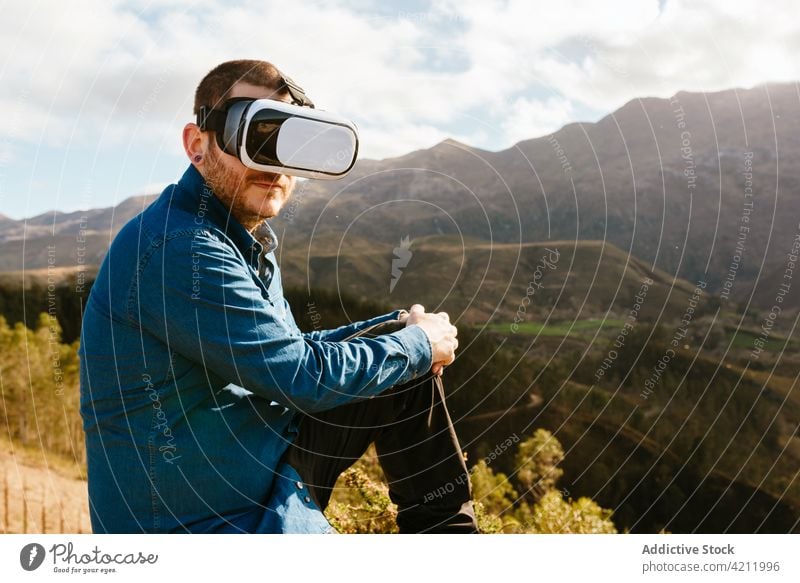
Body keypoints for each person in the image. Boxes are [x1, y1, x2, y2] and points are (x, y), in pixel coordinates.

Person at [79, 59, 477, 533]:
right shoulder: (180, 247)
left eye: (287, 142)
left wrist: (403, 330)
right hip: (209, 522)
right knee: (406, 353)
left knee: (402, 358)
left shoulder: (241, 239)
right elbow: (298, 376)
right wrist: (418, 346)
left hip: (256, 460)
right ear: (196, 145)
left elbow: (290, 352)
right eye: (251, 134)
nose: (271, 164)